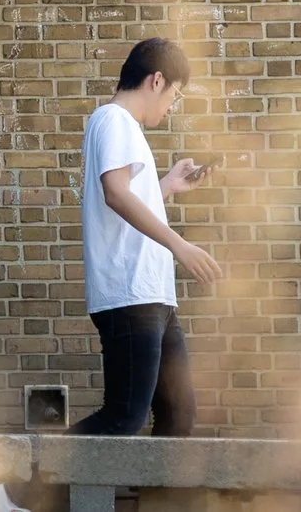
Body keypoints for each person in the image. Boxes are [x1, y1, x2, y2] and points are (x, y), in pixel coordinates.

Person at [71, 37, 221, 436]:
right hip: (130, 294)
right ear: (156, 81)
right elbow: (115, 193)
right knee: (123, 417)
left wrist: (166, 185)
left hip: (153, 295)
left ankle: (159, 499)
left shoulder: (126, 128)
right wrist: (180, 244)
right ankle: (15, 492)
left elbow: (128, 194)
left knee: (178, 413)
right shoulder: (113, 119)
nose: (172, 106)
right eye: (175, 94)